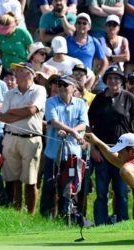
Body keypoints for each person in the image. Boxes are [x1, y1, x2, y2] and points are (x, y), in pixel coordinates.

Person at [88, 65, 134, 225]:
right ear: (106, 80)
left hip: (123, 153)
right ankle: (100, 223)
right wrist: (93, 149)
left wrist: (133, 144)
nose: (113, 81)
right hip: (102, 152)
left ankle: (122, 222)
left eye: (117, 78)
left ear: (122, 81)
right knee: (102, 192)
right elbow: (88, 126)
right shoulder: (98, 99)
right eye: (110, 78)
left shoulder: (129, 98)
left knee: (121, 191)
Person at [0, 62, 47, 214]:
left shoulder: (39, 90)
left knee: (30, 180)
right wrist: (23, 112)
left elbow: (32, 109)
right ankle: (16, 211)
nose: (15, 73)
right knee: (12, 179)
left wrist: (13, 111)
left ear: (29, 73)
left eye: (19, 70)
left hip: (31, 139)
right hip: (11, 138)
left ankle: (30, 215)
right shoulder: (9, 93)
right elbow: (3, 117)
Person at [40, 75, 88, 217]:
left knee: (70, 186)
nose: (61, 87)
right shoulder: (51, 101)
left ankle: (67, 216)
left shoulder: (81, 103)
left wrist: (68, 132)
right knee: (50, 185)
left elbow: (84, 124)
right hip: (53, 154)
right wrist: (73, 131)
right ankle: (46, 218)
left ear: (73, 88)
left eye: (65, 85)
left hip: (73, 155)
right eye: (59, 85)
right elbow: (53, 121)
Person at [66, 13, 108, 83]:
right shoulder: (67, 40)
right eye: (79, 23)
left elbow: (105, 62)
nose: (81, 25)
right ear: (75, 25)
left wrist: (97, 77)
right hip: (69, 79)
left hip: (87, 81)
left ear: (89, 27)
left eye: (84, 23)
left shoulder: (94, 41)